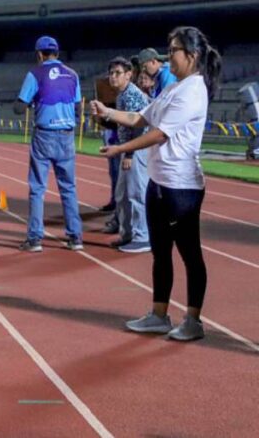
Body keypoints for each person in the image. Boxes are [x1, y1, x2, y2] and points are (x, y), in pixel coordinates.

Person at [92, 26, 221, 342]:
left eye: (173, 50)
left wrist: (121, 149)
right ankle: (159, 315)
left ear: (191, 55)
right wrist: (108, 111)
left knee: (189, 253)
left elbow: (160, 132)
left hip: (182, 187)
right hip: (159, 183)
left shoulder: (193, 90)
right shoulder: (174, 88)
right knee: (161, 253)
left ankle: (193, 320)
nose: (168, 56)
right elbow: (140, 118)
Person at [13, 36, 84, 252]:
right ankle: (75, 237)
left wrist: (29, 100)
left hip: (44, 135)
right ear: (57, 53)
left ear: (39, 54)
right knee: (68, 188)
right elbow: (79, 108)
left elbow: (19, 107)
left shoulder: (35, 73)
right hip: (67, 135)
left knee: (37, 189)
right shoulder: (72, 75)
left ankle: (35, 239)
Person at [105, 57, 151, 253]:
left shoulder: (131, 94)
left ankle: (143, 237)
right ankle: (127, 234)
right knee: (122, 194)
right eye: (111, 73)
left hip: (137, 149)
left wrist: (130, 153)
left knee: (136, 193)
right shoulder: (122, 94)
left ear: (128, 75)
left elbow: (138, 126)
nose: (113, 76)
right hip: (127, 148)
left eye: (117, 73)